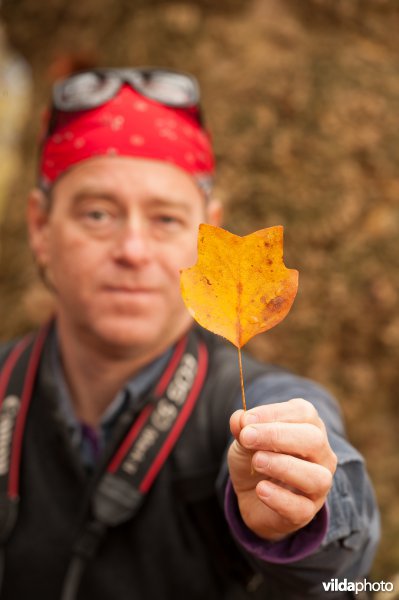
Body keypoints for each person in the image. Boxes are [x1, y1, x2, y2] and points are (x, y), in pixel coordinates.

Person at [0, 67, 379, 600]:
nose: (133, 250)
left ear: (208, 231)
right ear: (40, 227)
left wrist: (300, 515)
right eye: (98, 213)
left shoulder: (255, 400)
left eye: (166, 220)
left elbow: (343, 570)